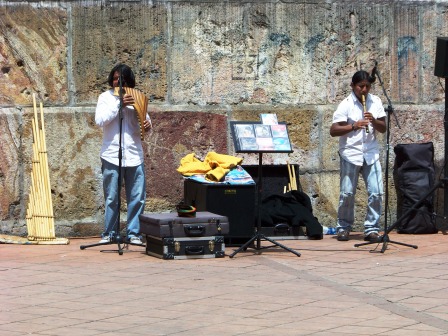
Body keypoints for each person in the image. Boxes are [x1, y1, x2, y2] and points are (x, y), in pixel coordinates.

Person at [95, 63, 152, 245]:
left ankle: (134, 233)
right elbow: (100, 120)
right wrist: (119, 105)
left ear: (129, 81)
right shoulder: (105, 98)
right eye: (115, 78)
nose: (118, 82)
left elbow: (145, 124)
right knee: (112, 197)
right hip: (112, 155)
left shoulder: (138, 98)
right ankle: (110, 233)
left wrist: (148, 126)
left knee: (137, 197)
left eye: (122, 79)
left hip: (135, 155)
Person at [330, 70, 387, 242]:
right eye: (361, 86)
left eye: (367, 87)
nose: (364, 90)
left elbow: (383, 127)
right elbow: (334, 130)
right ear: (353, 86)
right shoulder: (346, 104)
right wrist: (354, 125)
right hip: (351, 152)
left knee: (376, 192)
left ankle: (371, 229)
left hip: (370, 153)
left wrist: (373, 121)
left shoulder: (375, 101)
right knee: (347, 193)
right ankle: (343, 227)